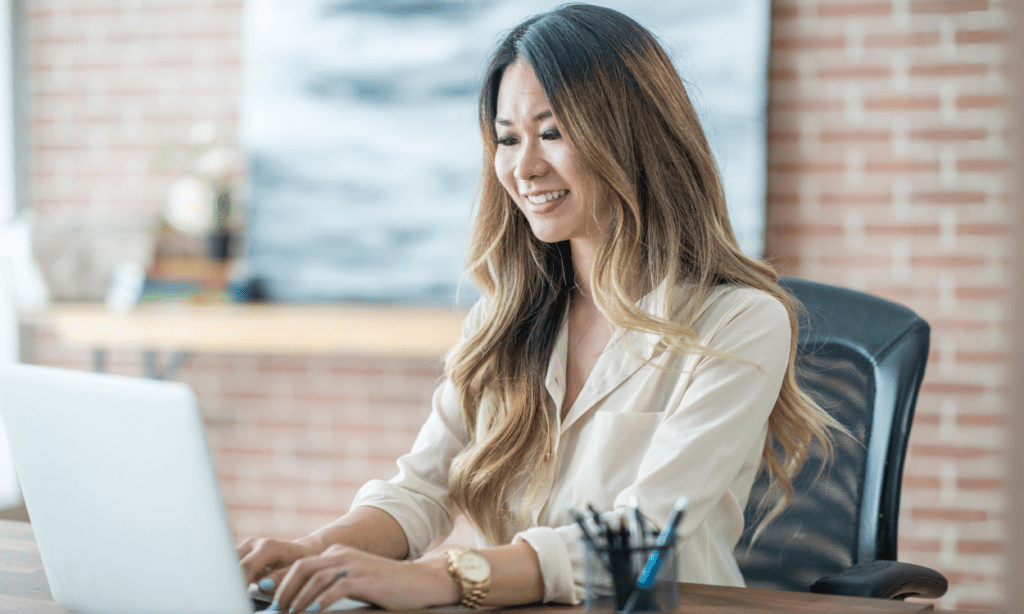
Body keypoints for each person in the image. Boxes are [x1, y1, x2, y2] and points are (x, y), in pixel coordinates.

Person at [237, 4, 840, 612]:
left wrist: (443, 577)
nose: (523, 168)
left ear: (631, 136)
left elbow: (637, 542)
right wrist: (315, 551)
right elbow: (420, 492)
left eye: (551, 132)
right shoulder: (500, 325)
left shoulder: (740, 323)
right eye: (507, 139)